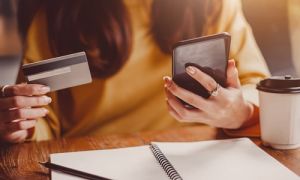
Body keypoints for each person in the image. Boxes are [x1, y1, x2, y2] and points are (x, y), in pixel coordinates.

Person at [0, 0, 269, 143]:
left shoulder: (214, 4)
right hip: (88, 157)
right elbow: (43, 117)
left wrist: (241, 113)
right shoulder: (55, 15)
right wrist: (23, 125)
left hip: (197, 154)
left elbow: (257, 86)